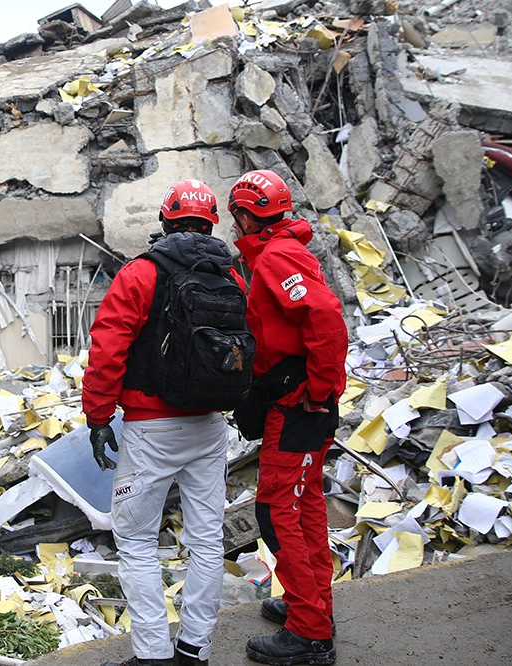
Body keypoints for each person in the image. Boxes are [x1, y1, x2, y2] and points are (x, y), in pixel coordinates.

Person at [83, 179, 248, 666]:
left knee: (135, 541)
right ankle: (194, 650)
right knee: (206, 541)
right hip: (210, 426)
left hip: (151, 428)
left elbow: (107, 348)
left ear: (165, 222)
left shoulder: (141, 274)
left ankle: (153, 655)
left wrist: (98, 415)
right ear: (212, 222)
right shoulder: (232, 276)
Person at [226, 170, 348, 666]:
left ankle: (311, 634)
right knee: (305, 507)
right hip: (301, 402)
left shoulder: (277, 256)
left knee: (277, 513)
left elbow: (325, 318)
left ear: (246, 213)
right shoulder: (279, 251)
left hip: (300, 405)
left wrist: (320, 391)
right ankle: (312, 606)